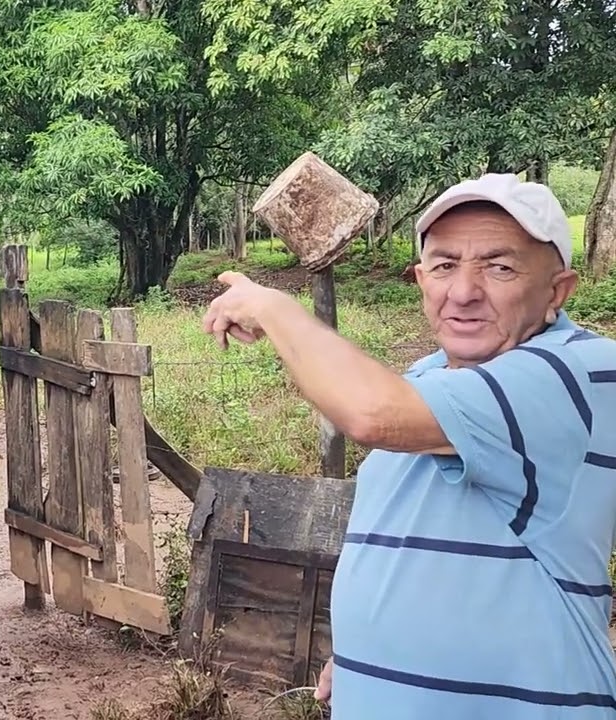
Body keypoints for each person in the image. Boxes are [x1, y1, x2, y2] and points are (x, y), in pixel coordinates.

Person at [203, 173, 616, 718]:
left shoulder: (575, 372)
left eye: (499, 267)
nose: (463, 292)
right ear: (421, 280)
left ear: (556, 292)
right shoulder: (428, 380)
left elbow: (371, 413)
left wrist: (275, 309)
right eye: (444, 266)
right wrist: (367, 653)